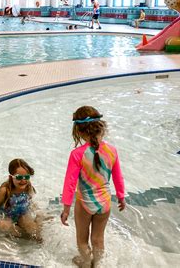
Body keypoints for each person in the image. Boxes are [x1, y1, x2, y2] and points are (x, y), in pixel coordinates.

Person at [61, 106, 125, 268]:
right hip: (105, 202)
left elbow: (70, 183)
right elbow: (118, 177)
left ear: (79, 132)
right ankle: (96, 264)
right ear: (100, 128)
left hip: (85, 202)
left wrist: (66, 207)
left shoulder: (77, 154)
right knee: (98, 239)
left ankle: (85, 263)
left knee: (82, 239)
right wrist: (121, 196)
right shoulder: (112, 151)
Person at [0, 158, 43, 242]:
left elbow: (30, 201)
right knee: (15, 232)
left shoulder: (28, 187)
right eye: (19, 177)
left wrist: (37, 214)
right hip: (5, 215)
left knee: (34, 231)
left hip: (21, 213)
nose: (23, 180)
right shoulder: (4, 191)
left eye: (26, 177)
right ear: (11, 177)